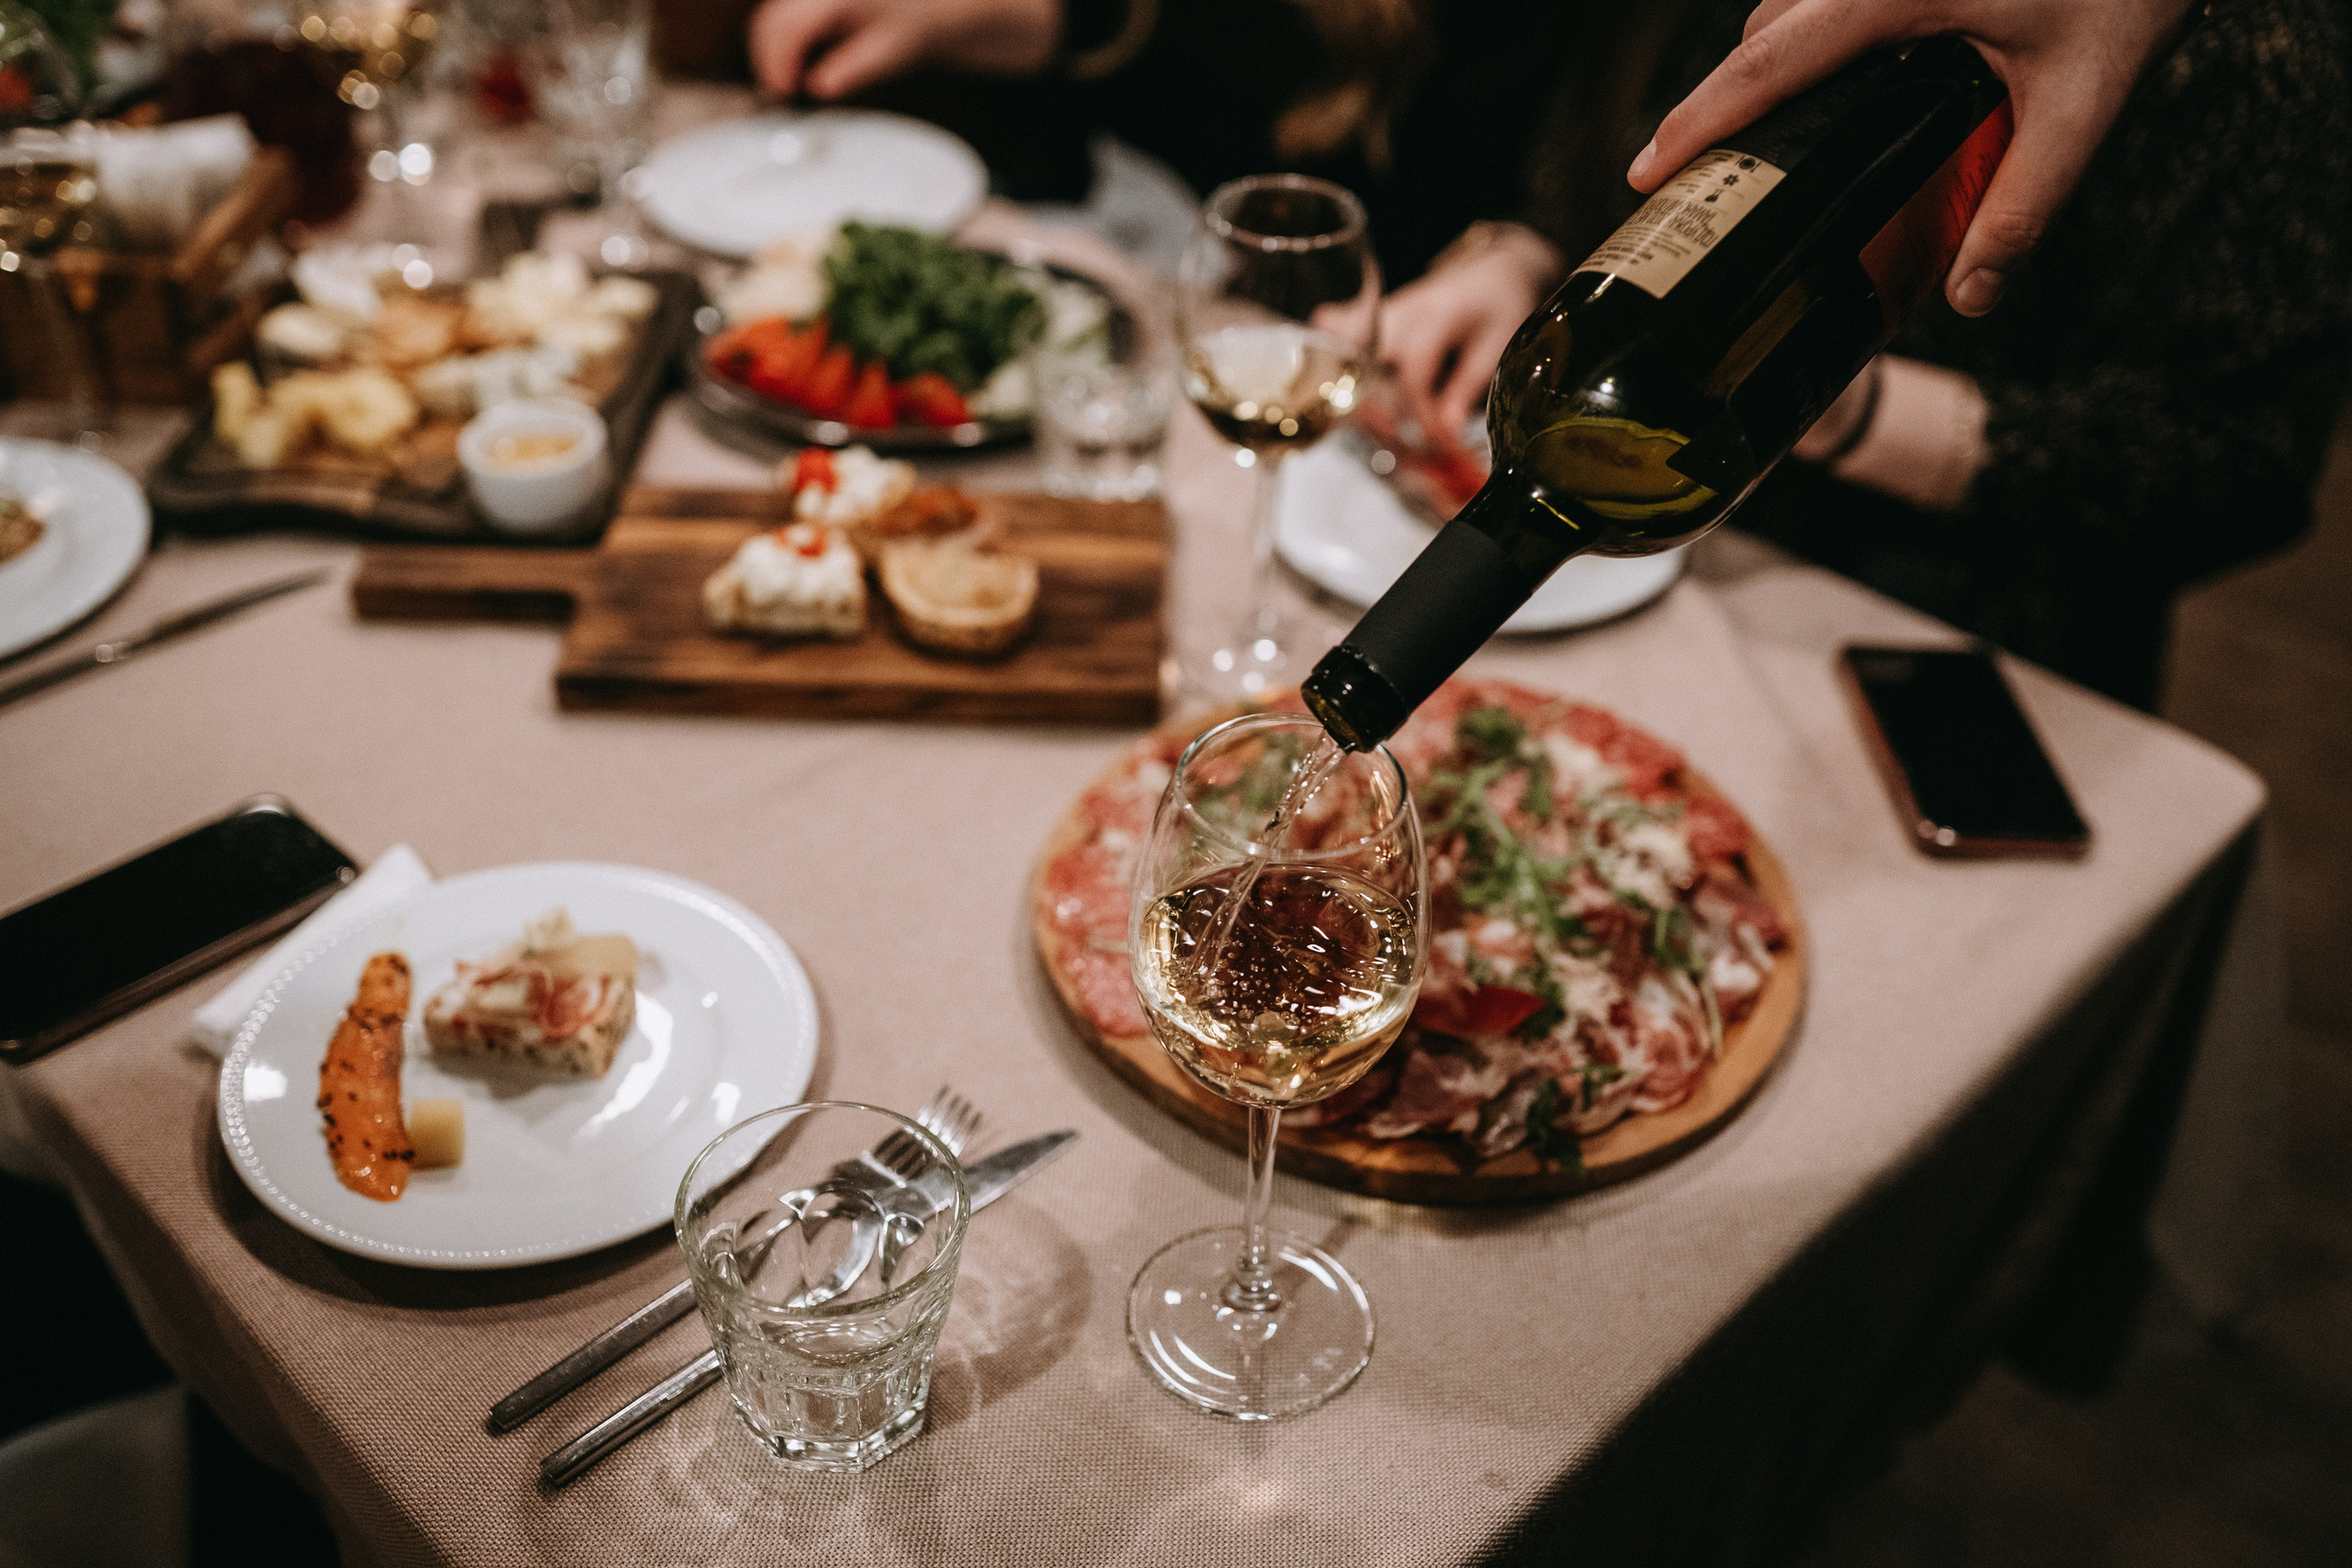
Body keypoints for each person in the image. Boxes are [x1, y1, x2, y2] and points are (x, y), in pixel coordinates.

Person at [1382, 0, 2352, 707]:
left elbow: (2242, 464)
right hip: (1676, 601)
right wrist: (1517, 254)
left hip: (1960, 647)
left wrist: (1844, 408)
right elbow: (1615, 151)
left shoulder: (2252, 45)